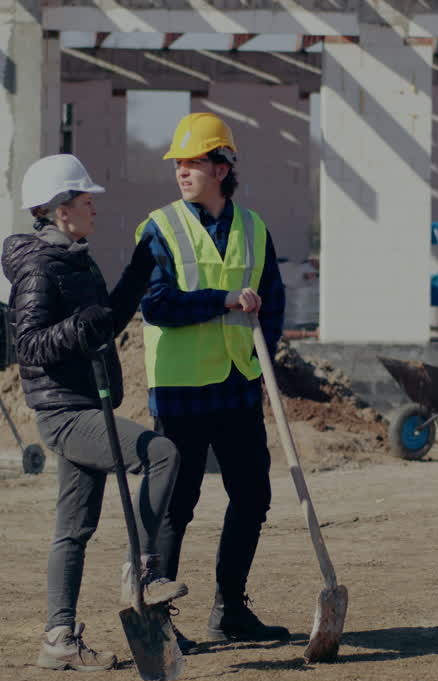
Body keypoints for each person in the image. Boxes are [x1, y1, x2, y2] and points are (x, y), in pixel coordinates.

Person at [2, 154, 188, 672]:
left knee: (74, 528)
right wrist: (77, 329)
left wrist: (141, 265)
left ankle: (58, 639)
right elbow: (29, 345)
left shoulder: (76, 260)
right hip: (65, 412)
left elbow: (103, 321)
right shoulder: (39, 268)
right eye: (86, 200)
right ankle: (142, 571)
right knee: (162, 454)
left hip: (85, 404)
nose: (94, 208)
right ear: (60, 209)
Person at [125, 112, 289, 653]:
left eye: (193, 162)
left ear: (222, 167)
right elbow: (156, 304)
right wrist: (222, 301)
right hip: (180, 388)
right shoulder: (158, 228)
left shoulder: (255, 228)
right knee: (177, 505)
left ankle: (231, 610)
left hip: (238, 382)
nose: (182, 171)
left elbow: (273, 301)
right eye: (178, 163)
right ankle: (157, 619)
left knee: (254, 495)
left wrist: (264, 352)